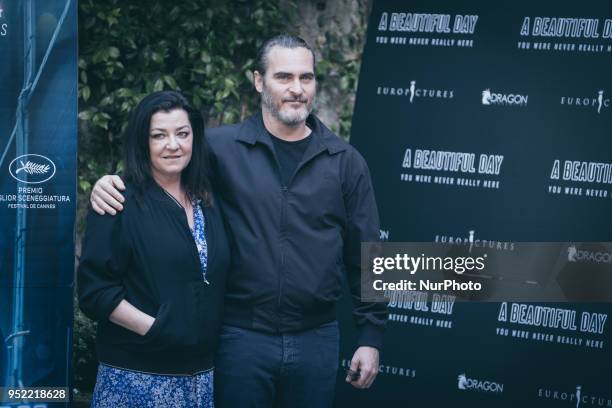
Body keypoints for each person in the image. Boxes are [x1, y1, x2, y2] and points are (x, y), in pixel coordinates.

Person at [90, 35, 387, 407]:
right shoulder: (217, 149)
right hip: (240, 339)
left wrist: (371, 335)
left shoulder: (345, 161)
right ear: (259, 81)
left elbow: (368, 254)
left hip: (317, 339)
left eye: (306, 78)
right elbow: (160, 170)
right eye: (284, 77)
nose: (297, 89)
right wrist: (109, 183)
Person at [78, 91, 230, 407]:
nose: (172, 144)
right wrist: (158, 329)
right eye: (158, 135)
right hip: (136, 377)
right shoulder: (118, 199)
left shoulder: (208, 198)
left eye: (182, 134)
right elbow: (95, 292)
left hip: (201, 378)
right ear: (142, 142)